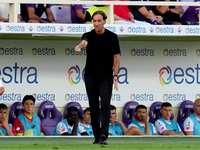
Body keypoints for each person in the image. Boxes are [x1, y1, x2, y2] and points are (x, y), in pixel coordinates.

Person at [75, 11, 120, 145]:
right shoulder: (88, 35)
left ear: (104, 21)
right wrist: (80, 46)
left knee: (105, 105)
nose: (96, 24)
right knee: (93, 107)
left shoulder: (112, 37)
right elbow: (84, 42)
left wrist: (115, 75)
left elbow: (116, 57)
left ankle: (104, 136)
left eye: (99, 21)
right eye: (94, 21)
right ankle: (96, 136)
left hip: (105, 76)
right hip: (90, 76)